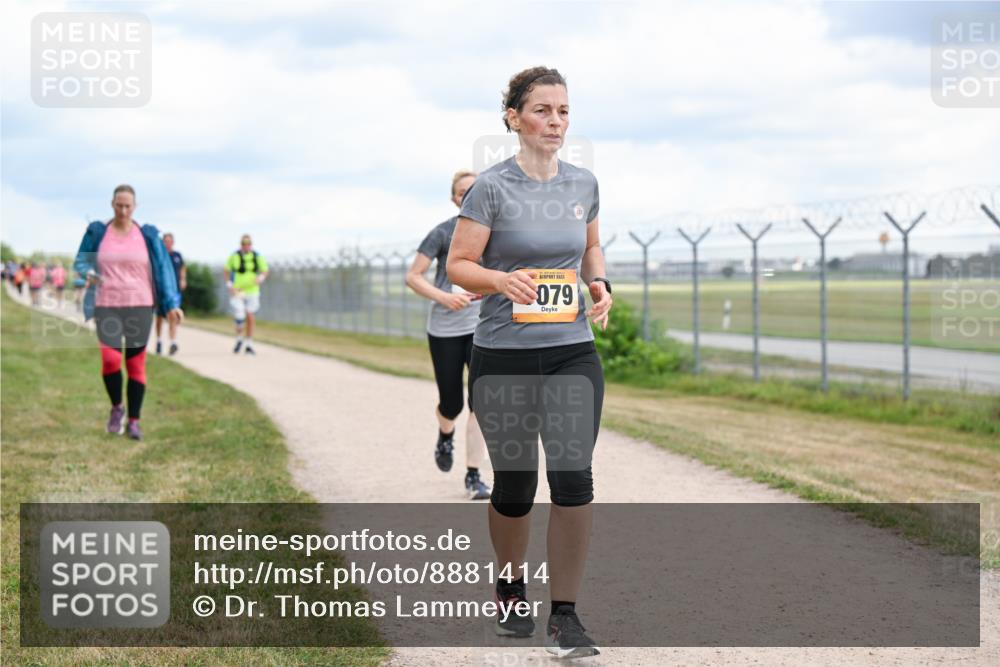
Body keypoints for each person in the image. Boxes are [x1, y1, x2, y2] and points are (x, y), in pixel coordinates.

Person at [447, 66, 612, 658]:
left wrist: (600, 285)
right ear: (514, 118)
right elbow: (458, 264)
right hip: (503, 356)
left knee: (573, 477)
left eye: (564, 111)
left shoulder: (583, 184)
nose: (556, 122)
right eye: (543, 110)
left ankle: (565, 616)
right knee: (515, 487)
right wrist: (499, 279)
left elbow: (590, 247)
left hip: (572, 352)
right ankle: (511, 580)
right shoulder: (492, 187)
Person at [406, 170, 491, 501]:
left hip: (484, 326)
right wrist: (444, 297)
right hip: (445, 326)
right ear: (455, 199)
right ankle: (445, 433)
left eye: (475, 190)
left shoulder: (496, 231)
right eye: (462, 192)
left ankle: (473, 476)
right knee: (452, 403)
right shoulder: (442, 232)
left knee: (481, 402)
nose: (468, 195)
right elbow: (413, 277)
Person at [74, 184, 183, 441]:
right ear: (112, 204)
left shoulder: (147, 236)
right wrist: (88, 272)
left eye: (128, 206)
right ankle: (116, 408)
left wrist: (171, 304)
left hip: (140, 304)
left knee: (135, 364)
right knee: (111, 360)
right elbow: (80, 260)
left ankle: (134, 420)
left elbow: (164, 270)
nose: (123, 210)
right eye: (119, 205)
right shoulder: (98, 232)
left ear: (135, 207)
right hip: (106, 304)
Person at [223, 234, 268, 355]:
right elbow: (226, 271)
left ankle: (249, 343)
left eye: (248, 244)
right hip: (238, 290)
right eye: (244, 244)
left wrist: (261, 278)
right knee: (239, 315)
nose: (246, 246)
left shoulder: (257, 256)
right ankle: (239, 338)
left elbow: (265, 270)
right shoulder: (234, 256)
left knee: (250, 315)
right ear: (241, 244)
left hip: (252, 290)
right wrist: (229, 285)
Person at [155, 232, 186, 355]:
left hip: (174, 291)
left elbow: (183, 268)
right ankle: (158, 340)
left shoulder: (177, 255)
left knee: (173, 315)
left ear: (173, 242)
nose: (167, 243)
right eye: (165, 241)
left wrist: (183, 279)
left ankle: (173, 342)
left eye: (169, 241)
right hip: (161, 291)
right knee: (159, 317)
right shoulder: (159, 256)